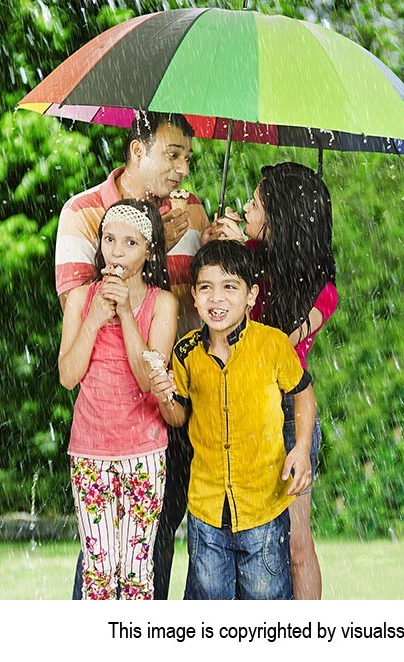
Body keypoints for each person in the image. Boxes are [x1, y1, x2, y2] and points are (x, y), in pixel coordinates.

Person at [55, 111, 204, 600]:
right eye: (172, 154)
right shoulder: (84, 212)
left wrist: (212, 236)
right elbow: (81, 308)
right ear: (138, 151)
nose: (182, 169)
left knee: (154, 544)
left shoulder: (191, 213)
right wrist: (142, 241)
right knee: (99, 556)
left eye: (188, 156)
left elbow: (209, 298)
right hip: (104, 409)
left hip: (172, 398)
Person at [149, 240, 317, 600]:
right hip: (206, 509)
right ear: (193, 296)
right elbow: (178, 418)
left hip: (263, 508)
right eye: (206, 288)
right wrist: (164, 394)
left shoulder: (273, 345)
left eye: (230, 287)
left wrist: (302, 449)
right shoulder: (186, 352)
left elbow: (303, 393)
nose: (217, 299)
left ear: (251, 295)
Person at [209, 162, 336, 600]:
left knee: (294, 544)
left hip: (284, 415)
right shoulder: (251, 265)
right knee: (241, 543)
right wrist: (224, 257)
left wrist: (238, 261)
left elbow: (269, 348)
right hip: (235, 410)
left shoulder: (320, 291)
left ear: (281, 217)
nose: (246, 206)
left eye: (256, 202)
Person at [58, 199, 178, 599]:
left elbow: (150, 381)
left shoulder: (163, 304)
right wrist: (95, 317)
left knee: (137, 571)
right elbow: (67, 376)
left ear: (148, 251)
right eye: (109, 240)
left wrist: (126, 312)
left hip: (144, 452)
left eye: (129, 243)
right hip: (90, 453)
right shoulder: (79, 299)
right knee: (98, 572)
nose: (116, 252)